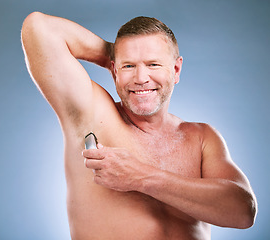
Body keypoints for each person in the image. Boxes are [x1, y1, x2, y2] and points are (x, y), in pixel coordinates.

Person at [21, 11, 257, 240]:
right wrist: (115, 56)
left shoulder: (201, 137)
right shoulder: (93, 114)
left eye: (153, 64)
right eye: (129, 66)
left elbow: (243, 212)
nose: (141, 78)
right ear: (113, 70)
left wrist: (140, 177)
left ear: (175, 70)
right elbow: (39, 28)